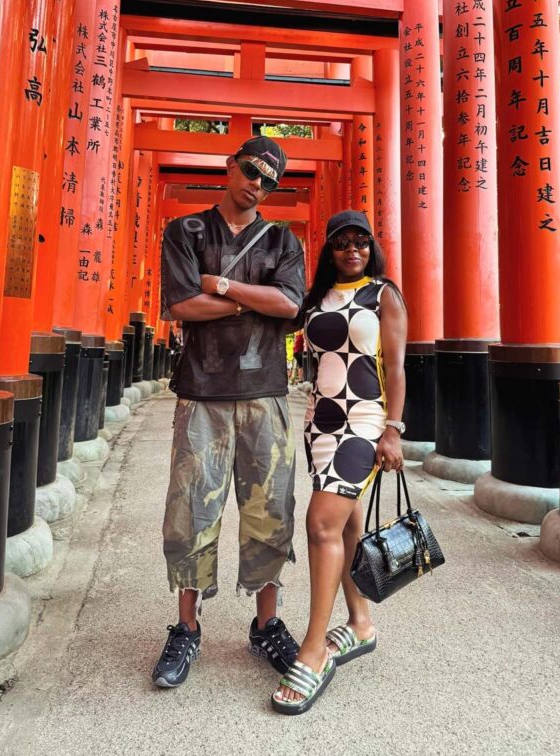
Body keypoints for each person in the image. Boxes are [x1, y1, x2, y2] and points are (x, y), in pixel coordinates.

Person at [153, 136, 306, 689]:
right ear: (229, 165)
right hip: (201, 392)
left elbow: (291, 305)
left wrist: (220, 285)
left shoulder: (284, 239)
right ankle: (186, 627)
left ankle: (266, 623)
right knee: (192, 508)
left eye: (269, 181)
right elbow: (181, 305)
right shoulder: (186, 231)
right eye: (250, 171)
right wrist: (253, 296)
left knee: (271, 510)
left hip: (265, 393)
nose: (256, 185)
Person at [272, 210, 407, 715]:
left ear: (371, 248)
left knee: (320, 524)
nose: (353, 251)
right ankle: (360, 622)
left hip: (365, 422)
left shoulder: (383, 294)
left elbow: (395, 367)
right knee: (347, 527)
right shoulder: (317, 299)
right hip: (320, 423)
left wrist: (393, 429)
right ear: (328, 251)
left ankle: (313, 650)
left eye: (361, 243)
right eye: (342, 243)